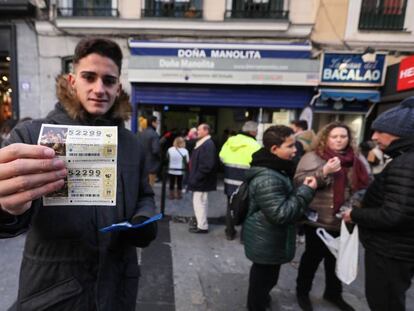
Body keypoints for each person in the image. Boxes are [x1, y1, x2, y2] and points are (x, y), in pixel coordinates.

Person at [0, 37, 157, 310]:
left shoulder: (131, 144)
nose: (99, 89)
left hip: (117, 288)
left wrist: (143, 219)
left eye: (109, 81)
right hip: (54, 291)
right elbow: (9, 215)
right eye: (89, 77)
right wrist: (6, 207)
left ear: (118, 87)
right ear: (72, 81)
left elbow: (144, 193)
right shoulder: (32, 136)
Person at [342, 97, 414, 311]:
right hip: (397, 249)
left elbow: (395, 214)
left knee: (385, 302)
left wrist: (355, 215)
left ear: (400, 133)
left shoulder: (407, 163)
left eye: (380, 131)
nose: (373, 137)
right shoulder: (404, 158)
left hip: (391, 251)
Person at [294, 121, 370, 311]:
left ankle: (333, 294)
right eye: (334, 136)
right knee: (311, 258)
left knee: (336, 260)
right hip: (317, 219)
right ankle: (302, 292)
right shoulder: (313, 157)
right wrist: (324, 171)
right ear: (325, 138)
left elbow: (366, 185)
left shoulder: (357, 159)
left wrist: (357, 206)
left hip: (345, 219)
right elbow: (299, 182)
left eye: (343, 136)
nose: (339, 140)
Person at [242, 125, 317, 311]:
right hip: (266, 238)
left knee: (266, 279)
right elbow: (281, 214)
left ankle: (260, 302)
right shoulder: (269, 177)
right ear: (274, 149)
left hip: (269, 238)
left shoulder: (276, 168)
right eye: (290, 146)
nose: (294, 150)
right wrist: (307, 191)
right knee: (262, 281)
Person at [219, 120, 261, 240]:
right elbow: (258, 164)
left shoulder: (230, 141)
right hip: (245, 182)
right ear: (253, 132)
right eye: (256, 131)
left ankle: (229, 232)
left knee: (230, 206)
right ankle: (244, 237)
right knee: (247, 208)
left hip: (229, 180)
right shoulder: (255, 145)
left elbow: (222, 157)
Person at [187, 123, 217, 233]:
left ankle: (202, 226)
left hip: (201, 181)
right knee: (200, 203)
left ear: (206, 131)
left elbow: (207, 165)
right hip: (201, 180)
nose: (197, 132)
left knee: (199, 203)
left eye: (199, 130)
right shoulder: (203, 143)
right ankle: (201, 224)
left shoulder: (208, 144)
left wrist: (196, 178)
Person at [139, 115, 161, 186]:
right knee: (150, 187)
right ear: (153, 123)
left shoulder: (140, 134)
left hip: (140, 165)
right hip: (151, 166)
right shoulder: (154, 135)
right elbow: (156, 150)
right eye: (157, 122)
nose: (157, 124)